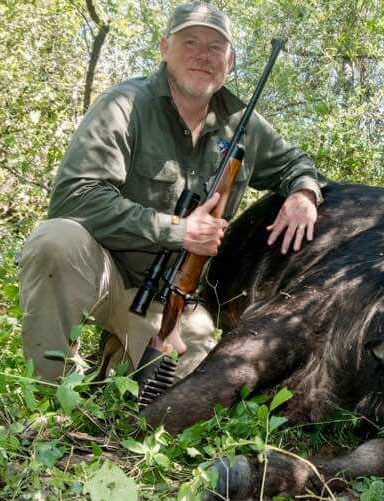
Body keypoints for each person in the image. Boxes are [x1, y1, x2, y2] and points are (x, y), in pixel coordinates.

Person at [19, 2, 323, 383]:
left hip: (173, 303)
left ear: (230, 60)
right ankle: (48, 399)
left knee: (190, 390)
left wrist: (303, 194)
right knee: (54, 240)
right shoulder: (125, 105)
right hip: (104, 272)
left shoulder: (243, 124)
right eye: (190, 41)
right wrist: (178, 230)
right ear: (164, 47)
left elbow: (297, 165)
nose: (203, 56)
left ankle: (117, 359)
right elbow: (74, 197)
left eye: (216, 47)